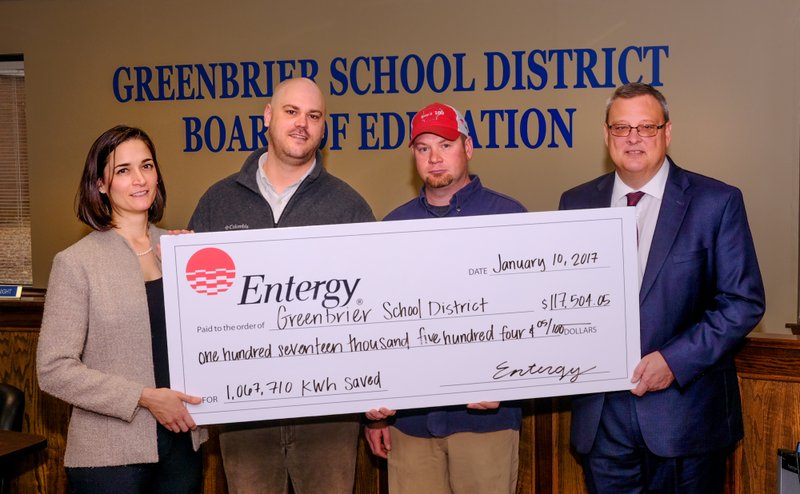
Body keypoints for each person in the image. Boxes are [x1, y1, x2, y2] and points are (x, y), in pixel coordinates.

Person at [558, 82, 766, 493]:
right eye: (621, 128)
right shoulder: (575, 203)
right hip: (602, 422)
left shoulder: (715, 202)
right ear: (606, 135)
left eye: (646, 128)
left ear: (667, 133)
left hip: (684, 420)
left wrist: (673, 361)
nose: (633, 138)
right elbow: (561, 303)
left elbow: (742, 302)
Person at [188, 77, 375, 494]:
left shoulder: (350, 207)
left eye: (314, 116)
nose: (302, 124)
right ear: (269, 117)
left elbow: (373, 309)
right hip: (244, 412)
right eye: (291, 112)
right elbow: (197, 310)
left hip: (328, 416)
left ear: (324, 128)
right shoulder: (218, 202)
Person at [364, 102, 526, 494]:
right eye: (423, 148)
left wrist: (511, 384)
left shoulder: (510, 218)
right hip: (411, 427)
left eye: (446, 144)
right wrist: (373, 415)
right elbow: (373, 324)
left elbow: (532, 321)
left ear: (467, 148)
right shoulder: (392, 227)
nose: (435, 158)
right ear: (413, 157)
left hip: (486, 422)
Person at [37, 125, 207, 493]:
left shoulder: (181, 251)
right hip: (110, 457)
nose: (140, 179)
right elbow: (53, 369)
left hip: (184, 446)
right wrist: (145, 397)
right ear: (100, 184)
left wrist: (196, 268)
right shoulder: (76, 263)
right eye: (123, 170)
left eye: (146, 166)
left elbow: (215, 335)